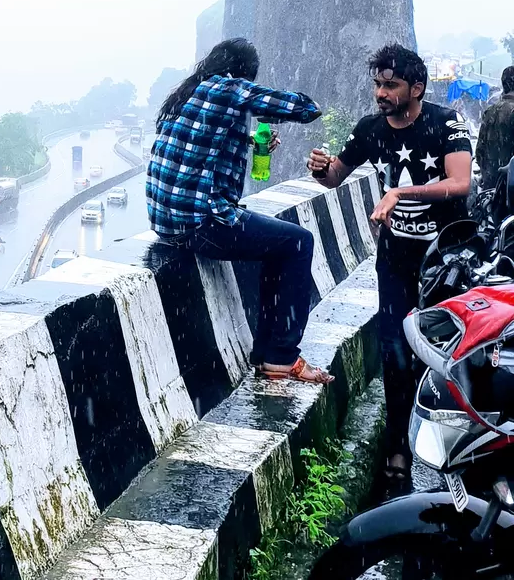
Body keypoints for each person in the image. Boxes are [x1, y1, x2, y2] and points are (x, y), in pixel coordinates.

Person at [307, 43, 472, 496]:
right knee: (395, 353)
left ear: (416, 87)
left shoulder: (445, 123)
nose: (381, 93)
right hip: (396, 258)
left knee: (447, 353)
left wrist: (401, 193)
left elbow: (460, 182)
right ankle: (397, 446)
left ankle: (457, 450)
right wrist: (321, 168)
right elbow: (336, 176)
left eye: (391, 84)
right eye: (377, 84)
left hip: (448, 260)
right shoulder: (370, 129)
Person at [147, 38, 332, 384]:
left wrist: (249, 140)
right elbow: (304, 109)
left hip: (167, 223)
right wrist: (301, 105)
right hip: (201, 222)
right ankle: (281, 356)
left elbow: (201, 143)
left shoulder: (190, 94)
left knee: (274, 247)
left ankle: (269, 354)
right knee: (298, 242)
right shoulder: (227, 89)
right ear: (242, 73)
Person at [476, 66, 514, 192]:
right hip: (510, 187)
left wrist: (487, 173)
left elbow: (479, 151)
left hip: (491, 187)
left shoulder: (490, 111)